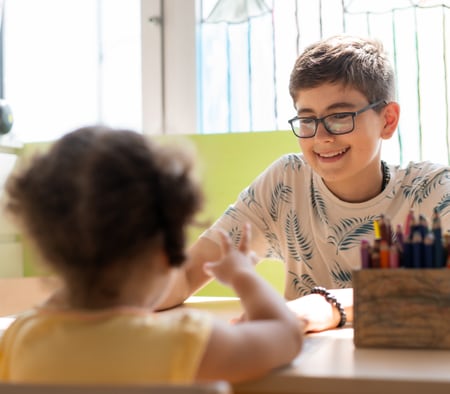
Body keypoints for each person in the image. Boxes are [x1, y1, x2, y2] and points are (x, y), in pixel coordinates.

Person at [157, 34, 450, 331]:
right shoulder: (286, 182)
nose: (321, 137)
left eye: (340, 117)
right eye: (308, 120)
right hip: (303, 365)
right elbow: (185, 275)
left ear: (388, 120)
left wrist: (330, 306)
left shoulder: (432, 190)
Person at [0, 126, 303, 384]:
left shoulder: (18, 340)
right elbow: (286, 335)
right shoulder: (187, 343)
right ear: (164, 254)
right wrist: (243, 276)